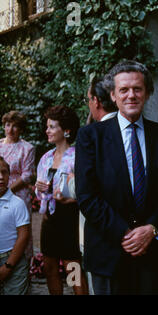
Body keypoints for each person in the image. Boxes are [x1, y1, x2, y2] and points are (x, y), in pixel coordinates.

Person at [75, 60, 158, 295]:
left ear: (147, 93)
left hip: (150, 253)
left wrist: (151, 228)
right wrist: (126, 234)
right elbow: (87, 196)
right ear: (113, 95)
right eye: (124, 90)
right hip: (108, 252)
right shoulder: (90, 137)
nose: (131, 95)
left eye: (137, 89)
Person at [35, 105, 88, 295]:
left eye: (51, 127)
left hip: (70, 219)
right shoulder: (46, 158)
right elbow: (38, 192)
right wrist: (39, 189)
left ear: (66, 130)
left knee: (72, 268)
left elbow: (87, 191)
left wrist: (71, 200)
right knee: (49, 267)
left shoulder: (78, 157)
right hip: (49, 219)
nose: (47, 130)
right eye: (47, 126)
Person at [0, 111, 35, 261]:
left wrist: (7, 190)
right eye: (8, 125)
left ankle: (21, 266)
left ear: (21, 129)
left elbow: (27, 175)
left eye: (15, 126)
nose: (11, 129)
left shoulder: (27, 148)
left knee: (19, 230)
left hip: (18, 194)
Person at [0, 157, 31, 295]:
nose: (1, 177)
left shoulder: (16, 203)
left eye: (4, 172)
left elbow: (23, 236)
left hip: (12, 260)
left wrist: (8, 266)